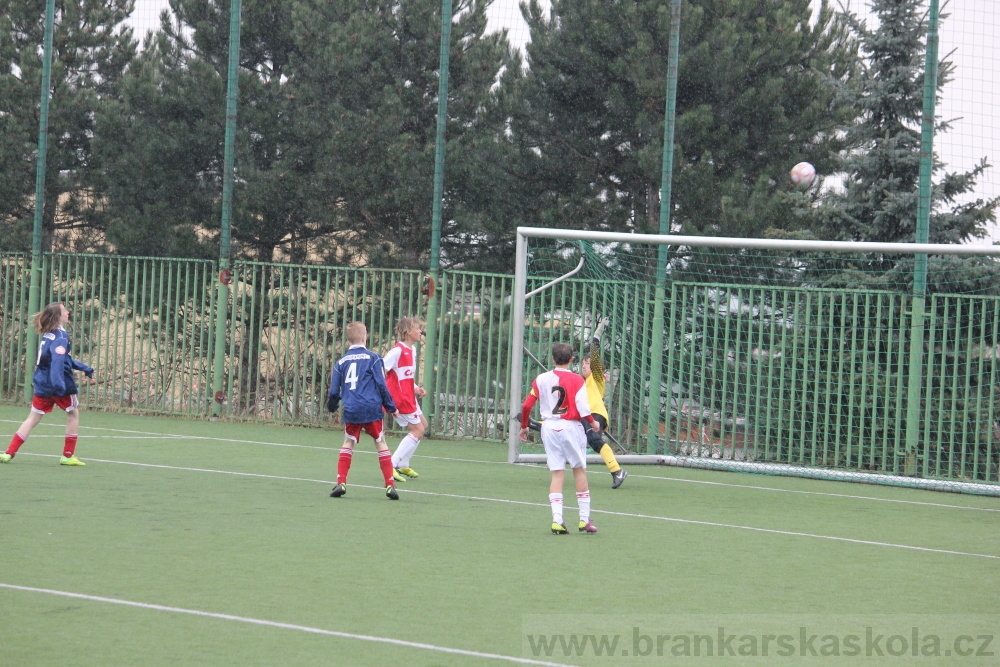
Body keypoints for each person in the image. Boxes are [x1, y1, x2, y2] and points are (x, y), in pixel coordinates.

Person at [519, 342, 600, 534]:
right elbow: (582, 406)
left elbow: (526, 406)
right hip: (571, 427)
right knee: (579, 470)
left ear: (553, 359)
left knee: (557, 473)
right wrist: (592, 422)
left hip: (549, 427)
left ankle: (557, 520)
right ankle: (583, 520)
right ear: (572, 359)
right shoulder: (578, 380)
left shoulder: (541, 379)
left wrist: (524, 426)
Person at [1, 302, 93, 466]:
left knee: (33, 418)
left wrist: (84, 367)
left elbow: (63, 358)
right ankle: (67, 456)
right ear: (58, 316)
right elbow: (57, 361)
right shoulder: (61, 337)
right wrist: (59, 384)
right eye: (64, 310)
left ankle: (9, 453)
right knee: (73, 414)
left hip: (42, 382)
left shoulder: (50, 334)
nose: (68, 312)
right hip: (59, 383)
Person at [327, 321, 401, 500]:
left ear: (348, 340)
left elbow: (333, 391)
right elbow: (382, 385)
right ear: (364, 337)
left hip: (352, 409)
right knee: (380, 442)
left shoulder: (341, 362)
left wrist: (332, 406)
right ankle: (390, 485)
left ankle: (341, 482)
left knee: (348, 443)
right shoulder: (374, 358)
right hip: (371, 408)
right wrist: (391, 407)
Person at [581, 318, 628, 489]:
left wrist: (596, 336)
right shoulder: (579, 382)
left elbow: (594, 359)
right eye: (583, 363)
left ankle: (617, 471)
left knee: (594, 439)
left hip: (595, 414)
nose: (585, 365)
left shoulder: (596, 378)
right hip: (581, 416)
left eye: (587, 363)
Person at [383, 316, 428, 482]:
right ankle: (392, 464)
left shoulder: (412, 350)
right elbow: (381, 369)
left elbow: (405, 375)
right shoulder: (397, 351)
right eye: (417, 328)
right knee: (418, 430)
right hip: (400, 398)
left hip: (409, 395)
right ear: (408, 332)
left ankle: (403, 464)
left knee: (423, 425)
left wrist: (416, 387)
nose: (420, 331)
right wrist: (385, 396)